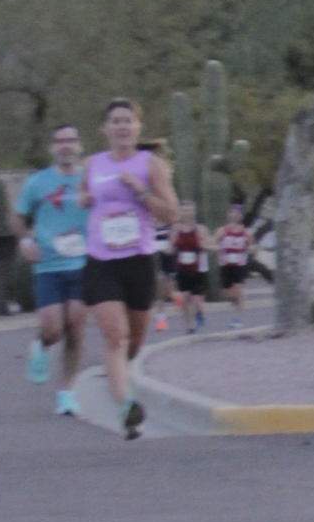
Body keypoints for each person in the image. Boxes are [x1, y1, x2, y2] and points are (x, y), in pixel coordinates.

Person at [80, 101, 181, 437]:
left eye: (128, 121)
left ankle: (118, 378)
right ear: (104, 129)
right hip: (101, 261)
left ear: (138, 128)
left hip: (139, 261)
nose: (122, 127)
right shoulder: (92, 164)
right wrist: (84, 199)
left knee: (133, 344)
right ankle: (125, 406)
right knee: (116, 337)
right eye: (115, 121)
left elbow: (171, 213)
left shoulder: (150, 165)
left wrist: (141, 192)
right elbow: (83, 194)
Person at [17, 123, 92, 415]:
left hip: (83, 263)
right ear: (52, 148)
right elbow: (17, 216)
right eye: (60, 141)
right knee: (53, 328)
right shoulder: (37, 182)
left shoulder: (90, 178)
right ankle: (42, 344)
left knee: (76, 326)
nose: (66, 145)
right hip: (48, 264)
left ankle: (67, 393)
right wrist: (25, 239)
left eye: (71, 140)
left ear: (79, 146)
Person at [169, 205, 212, 333]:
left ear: (193, 212)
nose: (186, 213)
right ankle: (189, 326)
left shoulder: (200, 229)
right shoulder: (176, 229)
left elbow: (207, 244)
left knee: (196, 299)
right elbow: (171, 247)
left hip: (197, 268)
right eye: (183, 210)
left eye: (189, 210)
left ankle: (199, 312)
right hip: (182, 267)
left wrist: (204, 246)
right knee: (184, 298)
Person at [216, 201, 254, 313]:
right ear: (229, 214)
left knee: (238, 290)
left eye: (238, 213)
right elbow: (213, 243)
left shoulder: (246, 232)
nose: (235, 215)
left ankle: (237, 317)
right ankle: (236, 301)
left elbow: (252, 246)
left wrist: (251, 249)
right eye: (232, 212)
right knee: (226, 294)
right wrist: (215, 247)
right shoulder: (222, 230)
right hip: (225, 264)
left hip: (240, 265)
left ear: (241, 216)